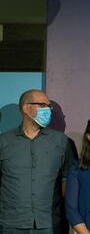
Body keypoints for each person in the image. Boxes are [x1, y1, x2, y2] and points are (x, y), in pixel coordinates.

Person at [0, 89, 73, 233]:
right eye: (43, 105)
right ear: (27, 108)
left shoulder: (62, 142)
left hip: (51, 225)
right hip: (11, 225)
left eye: (49, 107)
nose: (48, 110)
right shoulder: (3, 142)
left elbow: (68, 180)